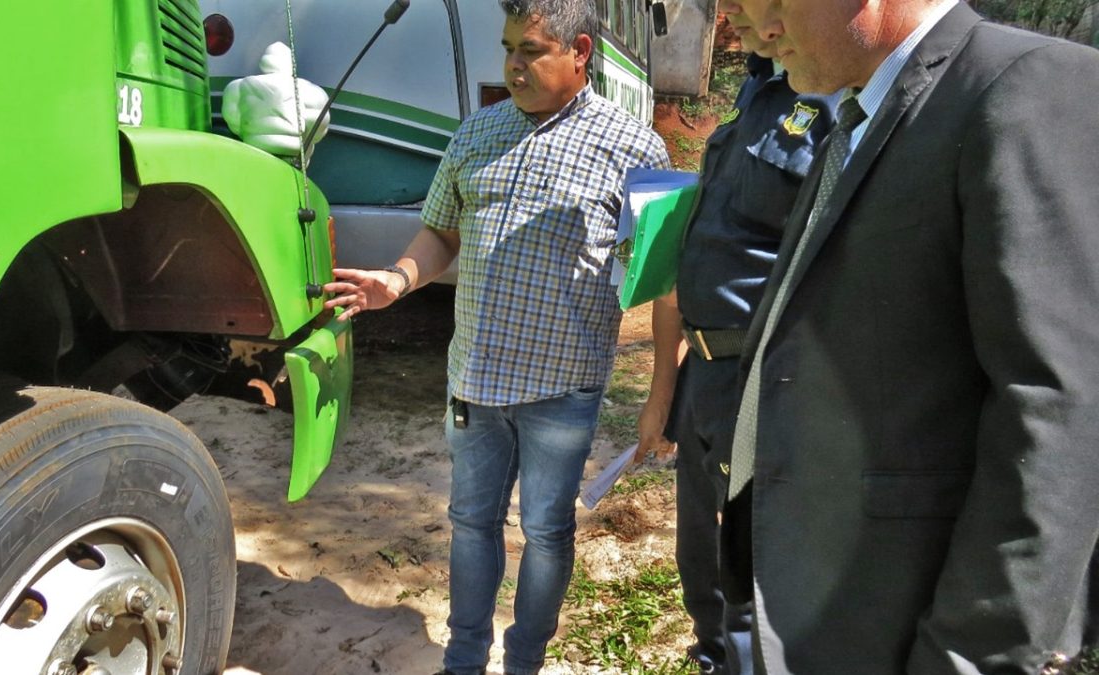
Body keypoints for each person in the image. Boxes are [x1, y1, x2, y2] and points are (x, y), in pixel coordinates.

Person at [714, 0, 1099, 671]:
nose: (760, 28)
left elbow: (1059, 406)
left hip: (905, 620)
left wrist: (969, 655)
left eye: (774, 0)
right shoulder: (860, 114)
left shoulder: (1023, 85)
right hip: (806, 597)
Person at [322, 1, 669, 672]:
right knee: (472, 522)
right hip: (475, 382)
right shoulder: (476, 132)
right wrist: (396, 280)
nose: (514, 64)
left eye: (533, 49)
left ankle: (524, 660)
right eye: (509, 47)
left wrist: (659, 394)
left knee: (545, 530)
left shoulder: (634, 148)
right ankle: (465, 656)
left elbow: (663, 283)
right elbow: (443, 232)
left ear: (581, 53)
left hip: (562, 391)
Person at [634, 2, 837, 672]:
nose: (731, 22)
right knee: (700, 556)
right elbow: (690, 251)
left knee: (756, 571)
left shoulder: (834, 102)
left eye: (747, 7)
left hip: (764, 378)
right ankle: (711, 654)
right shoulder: (753, 93)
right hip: (705, 376)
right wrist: (663, 390)